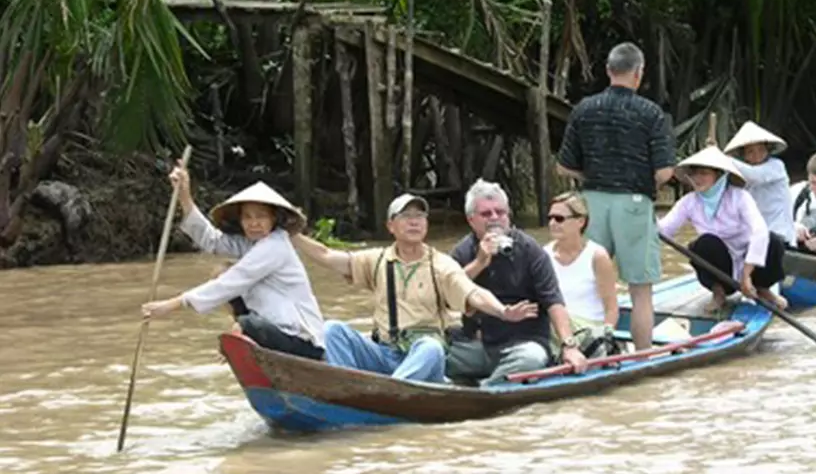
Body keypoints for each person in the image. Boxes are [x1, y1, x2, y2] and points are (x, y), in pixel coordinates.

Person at [291, 193, 537, 382]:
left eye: (419, 217)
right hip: (385, 352)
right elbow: (326, 256)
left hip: (421, 356)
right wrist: (291, 233)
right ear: (391, 226)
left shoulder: (440, 264)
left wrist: (503, 312)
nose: (414, 222)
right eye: (406, 217)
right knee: (332, 329)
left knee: (431, 347)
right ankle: (346, 387)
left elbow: (474, 293)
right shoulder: (376, 260)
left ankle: (389, 392)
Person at [556, 42, 675, 352]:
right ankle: (643, 357)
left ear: (608, 71)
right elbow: (664, 172)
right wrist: (642, 181)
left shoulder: (584, 109)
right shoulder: (651, 113)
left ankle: (579, 346)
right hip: (634, 205)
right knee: (641, 292)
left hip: (590, 204)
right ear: (639, 73)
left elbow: (563, 165)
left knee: (589, 281)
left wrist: (590, 178)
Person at [141, 165, 325, 360]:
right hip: (274, 328)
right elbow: (211, 240)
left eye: (261, 216)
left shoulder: (275, 246)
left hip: (301, 339)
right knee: (220, 271)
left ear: (273, 218)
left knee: (243, 320)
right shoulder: (250, 244)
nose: (254, 223)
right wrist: (184, 196)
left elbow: (233, 281)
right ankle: (246, 335)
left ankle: (244, 333)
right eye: (247, 217)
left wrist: (173, 304)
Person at [449, 180, 587, 385]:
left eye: (500, 212)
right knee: (433, 352)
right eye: (486, 214)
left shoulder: (530, 250)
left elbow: (553, 301)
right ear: (471, 220)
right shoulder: (462, 251)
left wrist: (569, 346)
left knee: (532, 359)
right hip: (477, 346)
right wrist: (479, 262)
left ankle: (483, 391)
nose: (495, 218)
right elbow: (445, 294)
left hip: (522, 345)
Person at [657, 146, 787, 313]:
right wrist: (645, 217)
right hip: (720, 269)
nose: (697, 178)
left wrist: (747, 275)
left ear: (718, 176)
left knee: (773, 241)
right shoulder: (689, 202)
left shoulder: (739, 197)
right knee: (703, 243)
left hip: (751, 265)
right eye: (695, 173)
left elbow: (759, 231)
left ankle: (762, 288)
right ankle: (718, 293)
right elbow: (664, 230)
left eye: (704, 173)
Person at [543, 192, 620, 356]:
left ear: (580, 221)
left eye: (559, 219)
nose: (552, 223)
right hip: (557, 326)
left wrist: (606, 337)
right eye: (550, 218)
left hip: (588, 329)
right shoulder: (544, 254)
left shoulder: (597, 256)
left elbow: (611, 307)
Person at [724, 120, 794, 244]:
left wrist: (723, 158)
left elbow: (755, 175)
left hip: (779, 237)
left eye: (761, 149)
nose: (757, 155)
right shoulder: (741, 177)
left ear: (767, 150)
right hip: (755, 238)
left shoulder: (776, 166)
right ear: (744, 155)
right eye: (750, 151)